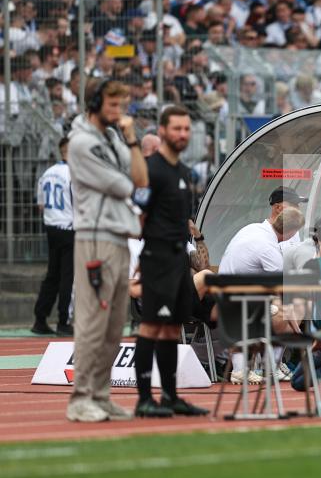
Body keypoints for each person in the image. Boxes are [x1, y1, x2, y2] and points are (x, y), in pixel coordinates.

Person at [66, 80, 148, 423]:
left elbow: (140, 178)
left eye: (124, 105)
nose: (120, 112)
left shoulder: (115, 138)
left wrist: (131, 139)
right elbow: (125, 184)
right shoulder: (81, 142)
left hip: (117, 235)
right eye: (113, 105)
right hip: (95, 237)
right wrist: (132, 171)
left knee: (114, 325)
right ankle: (80, 397)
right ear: (96, 103)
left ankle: (100, 395)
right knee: (92, 321)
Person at [133, 105, 208, 418]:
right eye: (176, 128)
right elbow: (139, 216)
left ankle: (171, 396)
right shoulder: (151, 169)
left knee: (171, 328)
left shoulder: (185, 173)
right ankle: (143, 399)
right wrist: (144, 257)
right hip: (158, 259)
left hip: (178, 259)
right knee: (152, 327)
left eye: (186, 129)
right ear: (162, 130)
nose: (182, 134)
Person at [217, 187, 306, 384]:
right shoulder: (266, 244)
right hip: (235, 306)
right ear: (279, 209)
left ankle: (264, 366)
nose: (298, 210)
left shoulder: (254, 230)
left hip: (232, 299)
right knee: (298, 304)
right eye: (294, 207)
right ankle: (268, 366)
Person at [32, 136, 75, 336]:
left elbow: (40, 205)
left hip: (51, 227)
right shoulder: (73, 174)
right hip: (68, 227)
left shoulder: (47, 173)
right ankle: (63, 321)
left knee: (52, 274)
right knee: (68, 276)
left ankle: (40, 318)